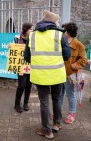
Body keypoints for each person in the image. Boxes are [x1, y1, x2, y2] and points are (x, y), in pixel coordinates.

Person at [24, 10, 71, 139]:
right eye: (57, 21)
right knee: (56, 98)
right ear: (52, 22)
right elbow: (67, 56)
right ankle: (56, 123)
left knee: (44, 102)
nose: (58, 24)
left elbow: (26, 57)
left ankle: (47, 130)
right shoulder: (59, 35)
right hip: (57, 74)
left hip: (40, 75)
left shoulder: (32, 36)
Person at [60, 22, 87, 124]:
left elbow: (83, 60)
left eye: (64, 30)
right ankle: (58, 112)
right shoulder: (61, 42)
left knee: (70, 94)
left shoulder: (79, 45)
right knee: (59, 94)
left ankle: (72, 114)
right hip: (59, 73)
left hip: (70, 74)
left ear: (68, 31)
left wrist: (73, 66)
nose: (63, 32)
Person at [11, 22, 33, 113]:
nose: (32, 31)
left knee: (29, 85)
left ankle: (25, 103)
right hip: (21, 65)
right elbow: (14, 49)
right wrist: (10, 46)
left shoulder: (33, 38)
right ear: (26, 29)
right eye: (31, 29)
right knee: (21, 85)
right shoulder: (17, 37)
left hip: (31, 65)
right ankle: (17, 104)